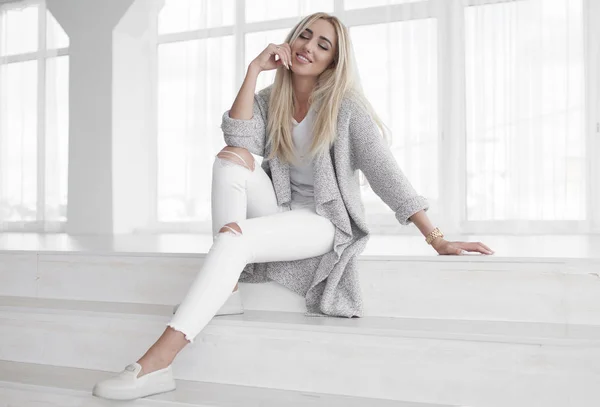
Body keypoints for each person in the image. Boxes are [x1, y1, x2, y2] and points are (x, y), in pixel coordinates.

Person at [92, 12, 494, 401]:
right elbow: (241, 140)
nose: (308, 48)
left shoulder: (345, 107)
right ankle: (227, 289)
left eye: (323, 45)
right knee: (229, 158)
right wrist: (253, 70)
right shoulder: (273, 99)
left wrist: (436, 238)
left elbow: (386, 174)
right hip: (280, 209)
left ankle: (158, 362)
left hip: (323, 220)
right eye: (304, 36)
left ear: (333, 61)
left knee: (234, 239)